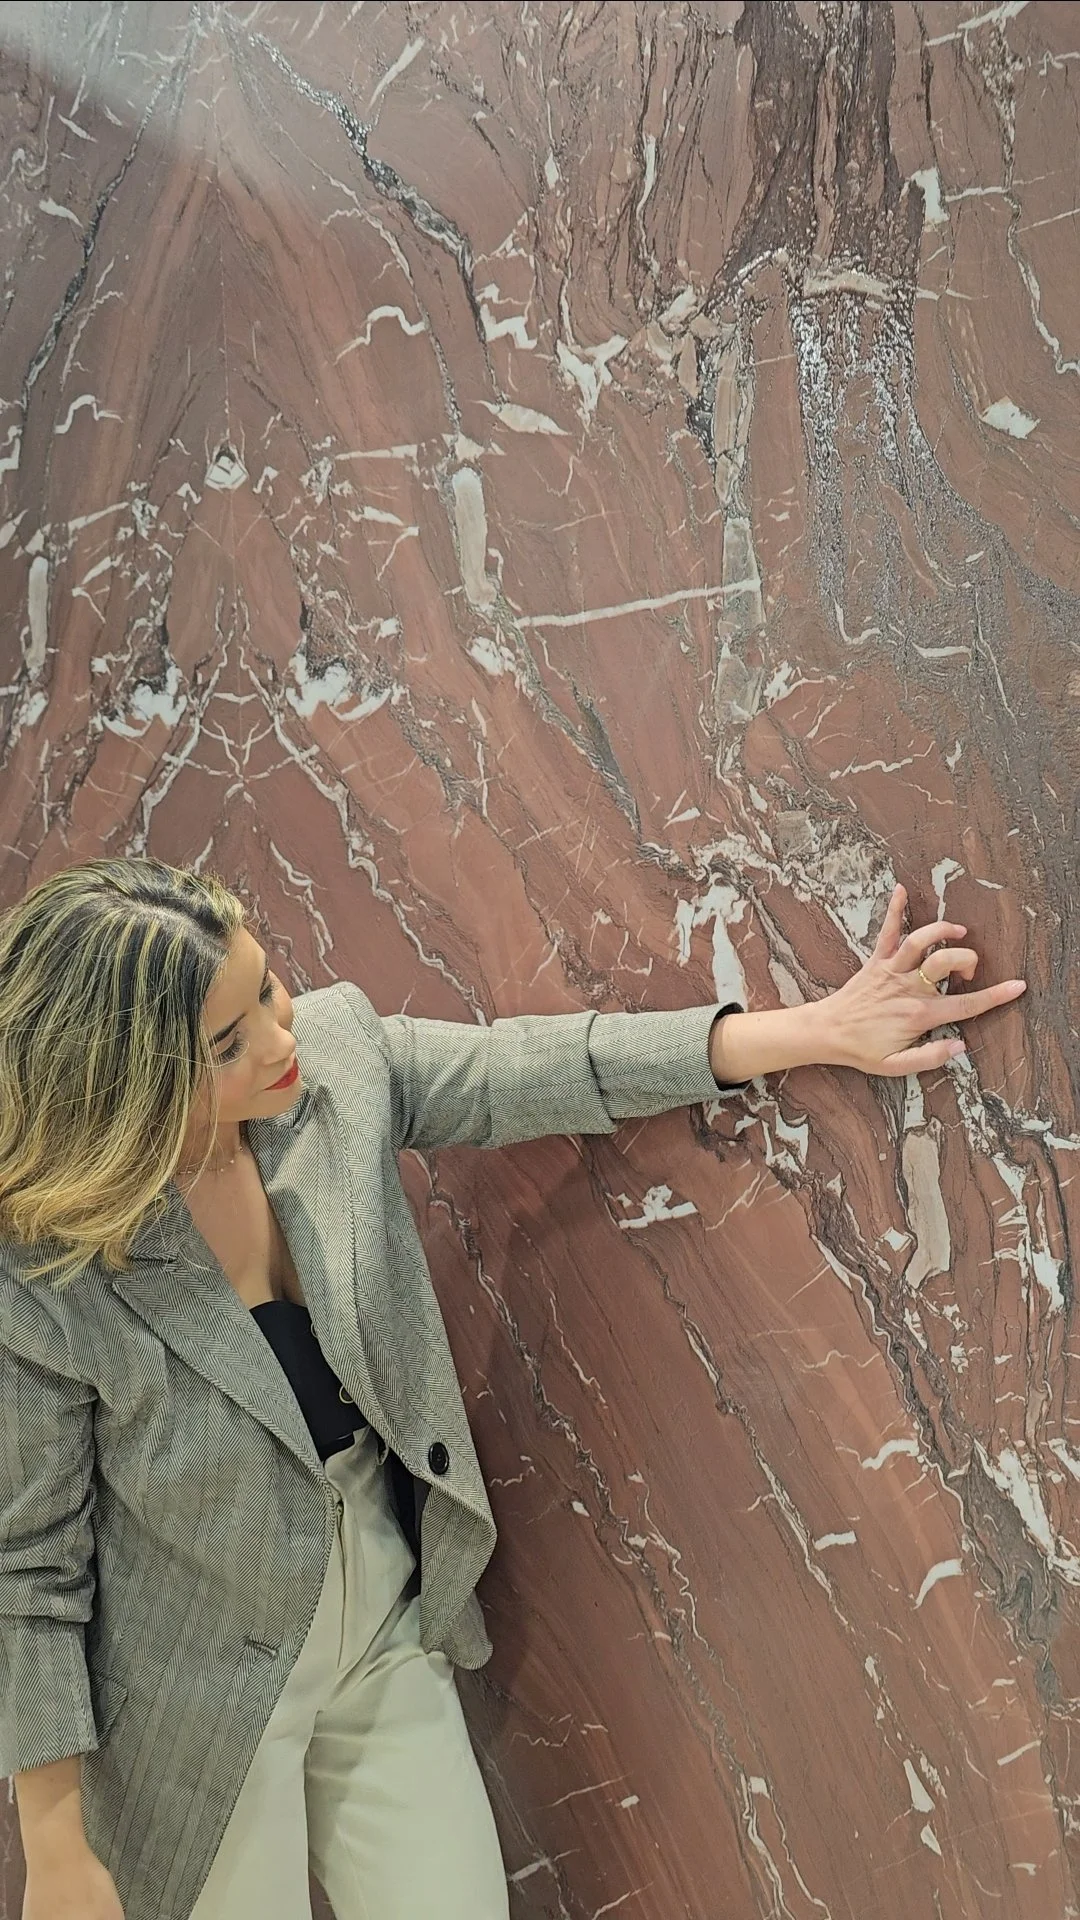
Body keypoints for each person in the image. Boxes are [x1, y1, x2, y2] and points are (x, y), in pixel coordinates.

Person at [0, 858, 1024, 1920]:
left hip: (384, 1623)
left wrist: (811, 1030)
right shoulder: (46, 1267)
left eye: (265, 987)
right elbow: (29, 1571)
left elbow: (528, 1071)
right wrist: (59, 1848)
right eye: (229, 1042)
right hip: (189, 1706)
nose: (280, 1035)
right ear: (125, 1080)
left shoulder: (333, 1065)